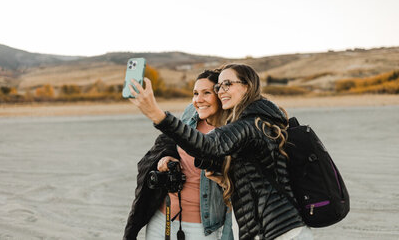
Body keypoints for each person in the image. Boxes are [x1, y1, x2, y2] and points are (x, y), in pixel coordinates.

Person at [128, 64, 314, 240]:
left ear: (247, 87)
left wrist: (157, 114)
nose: (222, 90)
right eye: (219, 86)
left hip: (280, 230)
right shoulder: (253, 121)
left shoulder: (250, 125)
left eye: (227, 84)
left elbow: (208, 146)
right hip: (263, 229)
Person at [123, 70, 234, 240]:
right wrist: (167, 157)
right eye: (195, 93)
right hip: (163, 217)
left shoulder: (232, 132)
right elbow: (169, 141)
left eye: (207, 93)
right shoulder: (191, 113)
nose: (199, 100)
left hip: (201, 229)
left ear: (220, 95)